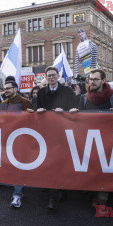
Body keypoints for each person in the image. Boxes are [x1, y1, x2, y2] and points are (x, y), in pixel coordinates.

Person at [70, 69, 113, 214]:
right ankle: (94, 194)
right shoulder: (84, 98)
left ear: (104, 81)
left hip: (108, 141)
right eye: (90, 79)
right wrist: (74, 113)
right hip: (89, 140)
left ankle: (102, 199)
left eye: (95, 79)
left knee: (105, 171)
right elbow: (79, 119)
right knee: (92, 169)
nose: (92, 82)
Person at [34, 66, 76, 210]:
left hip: (64, 132)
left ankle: (60, 191)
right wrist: (38, 111)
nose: (51, 78)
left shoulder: (67, 91)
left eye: (53, 75)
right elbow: (38, 109)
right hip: (47, 133)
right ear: (46, 77)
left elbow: (74, 109)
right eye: (49, 76)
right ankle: (54, 194)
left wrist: (64, 112)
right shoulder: (40, 92)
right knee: (51, 163)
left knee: (61, 163)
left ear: (58, 76)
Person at [1, 80, 33, 208]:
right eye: (5, 89)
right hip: (8, 140)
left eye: (8, 88)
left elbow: (33, 122)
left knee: (18, 167)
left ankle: (17, 195)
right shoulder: (3, 103)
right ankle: (19, 190)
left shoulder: (26, 102)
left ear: (15, 89)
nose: (6, 91)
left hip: (22, 140)